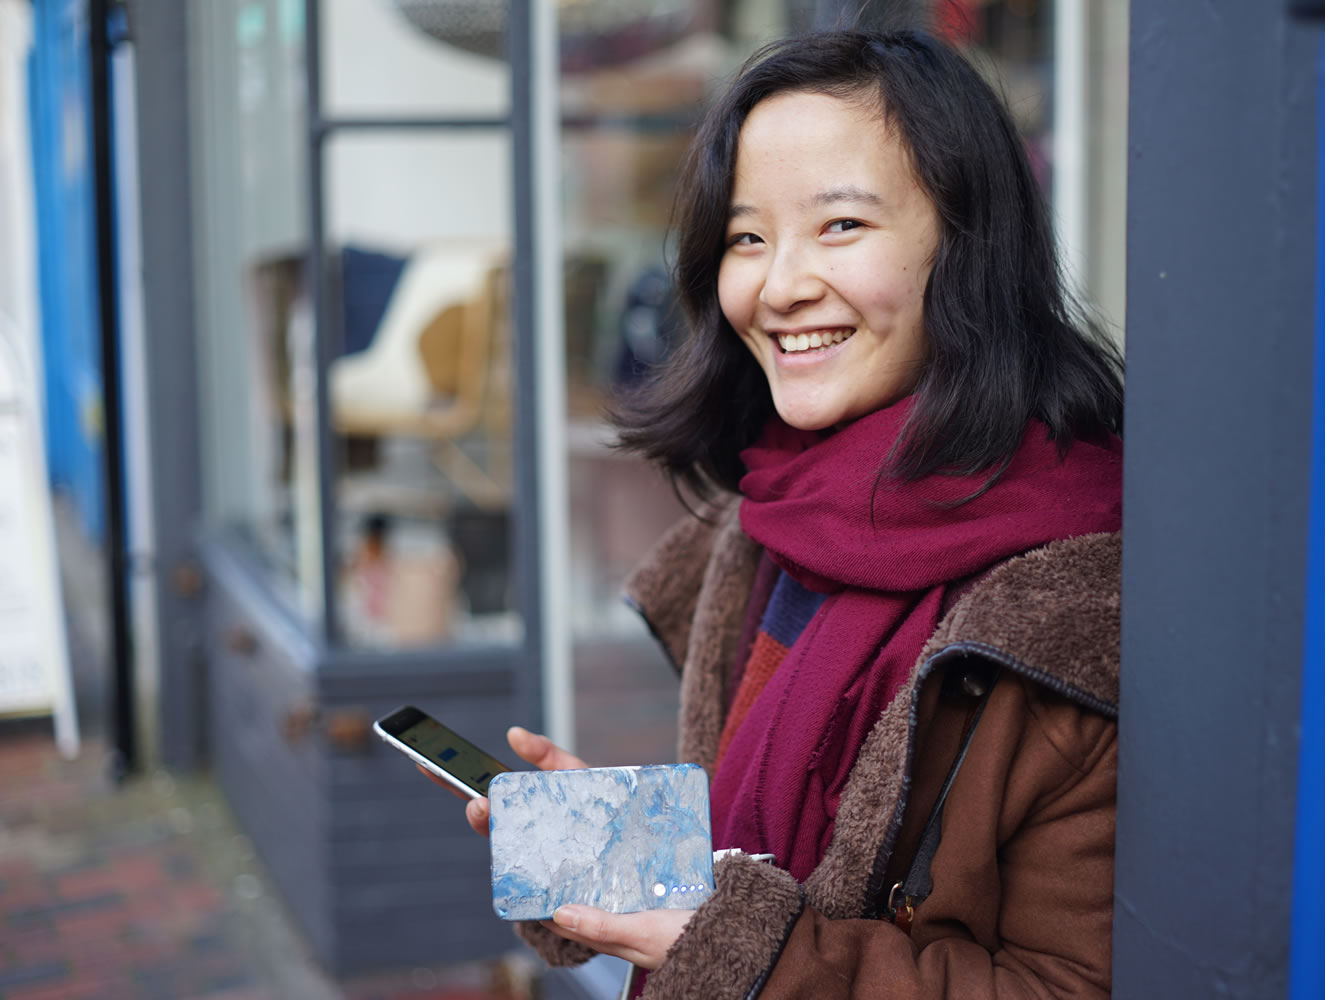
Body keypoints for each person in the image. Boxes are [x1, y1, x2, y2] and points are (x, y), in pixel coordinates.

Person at [463, 28, 1124, 999]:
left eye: (842, 227)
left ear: (970, 244)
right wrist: (628, 864)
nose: (778, 286)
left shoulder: (1071, 604)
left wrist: (739, 949)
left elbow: (1070, 986)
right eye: (746, 237)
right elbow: (753, 860)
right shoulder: (771, 522)